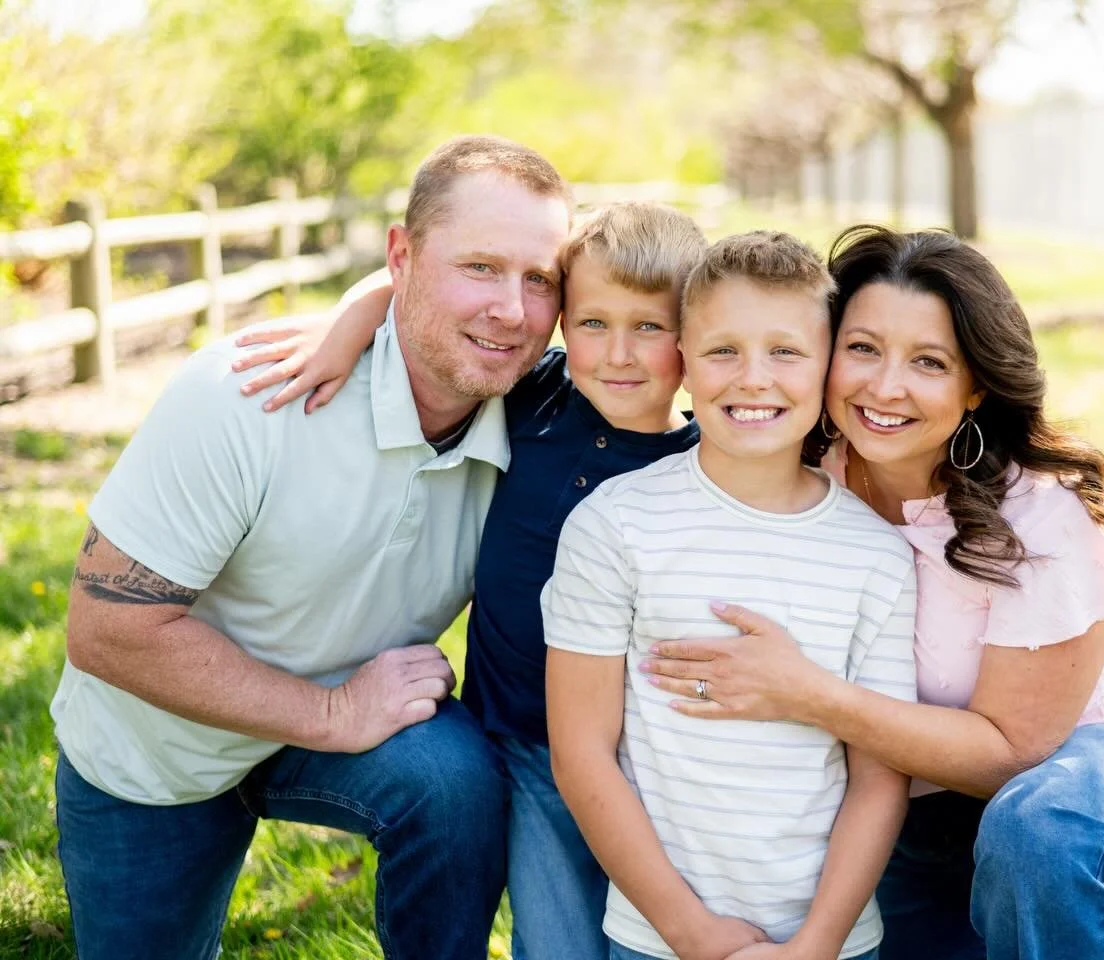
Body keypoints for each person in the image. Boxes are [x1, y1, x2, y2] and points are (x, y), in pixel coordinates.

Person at [50, 134, 571, 960]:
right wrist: (331, 712)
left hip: (354, 715)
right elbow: (107, 628)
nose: (512, 308)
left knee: (454, 784)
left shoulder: (549, 424)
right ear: (401, 256)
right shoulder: (245, 397)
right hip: (160, 749)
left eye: (539, 278)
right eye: (479, 267)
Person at [639, 225, 1104, 960]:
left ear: (976, 384)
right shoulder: (800, 466)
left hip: (1097, 766)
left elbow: (1013, 752)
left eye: (928, 362)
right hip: (918, 802)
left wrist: (806, 693)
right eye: (863, 349)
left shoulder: (1037, 514)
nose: (886, 387)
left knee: (1038, 829)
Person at [236, 200, 711, 960]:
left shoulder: (702, 462)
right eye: (592, 323)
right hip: (524, 744)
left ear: (693, 337)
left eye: (650, 328)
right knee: (556, 944)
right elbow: (420, 285)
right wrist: (350, 320)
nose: (618, 354)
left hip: (648, 765)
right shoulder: (533, 398)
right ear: (560, 322)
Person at [543, 232, 918, 960]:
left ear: (828, 368)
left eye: (785, 352)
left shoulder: (876, 553)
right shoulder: (614, 525)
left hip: (833, 941)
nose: (753, 379)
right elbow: (582, 752)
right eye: (723, 352)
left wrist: (817, 944)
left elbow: (879, 780)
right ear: (682, 363)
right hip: (660, 937)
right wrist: (694, 933)